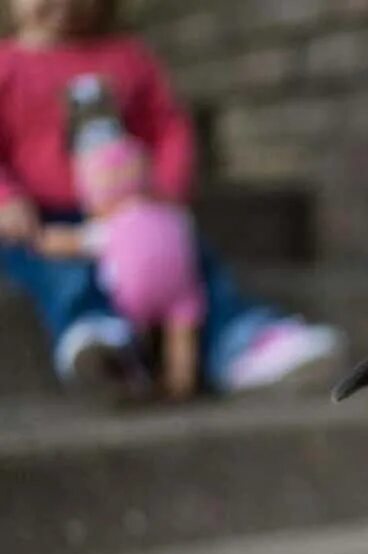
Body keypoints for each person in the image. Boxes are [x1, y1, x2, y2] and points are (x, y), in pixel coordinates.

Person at [0, 0, 344, 401]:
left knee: (193, 261)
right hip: (43, 218)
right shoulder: (7, 66)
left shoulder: (128, 58)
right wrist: (6, 198)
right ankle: (100, 340)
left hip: (137, 212)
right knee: (63, 272)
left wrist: (165, 188)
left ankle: (239, 340)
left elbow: (169, 126)